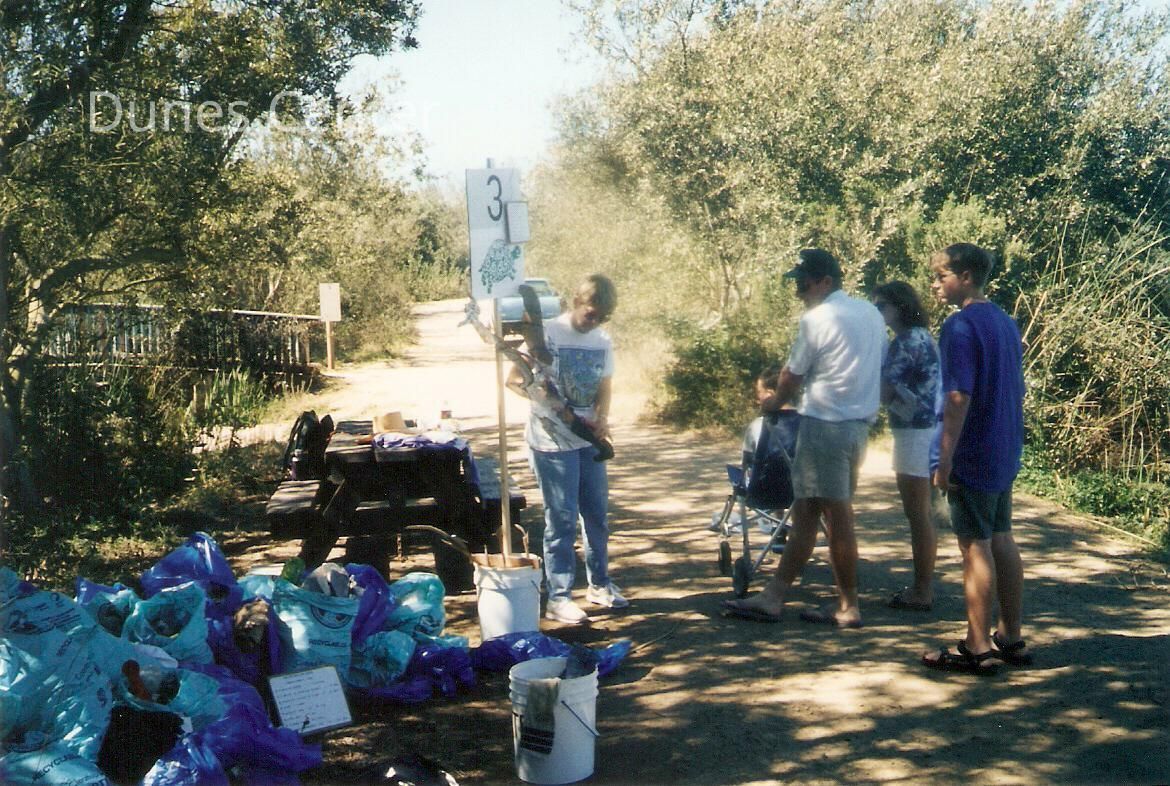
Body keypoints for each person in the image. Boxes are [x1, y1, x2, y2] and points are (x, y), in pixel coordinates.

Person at [722, 249, 886, 627]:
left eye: (804, 283)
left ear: (826, 281)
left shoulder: (818, 319)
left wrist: (773, 402)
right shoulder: (870, 313)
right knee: (807, 512)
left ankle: (849, 606)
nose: (799, 291)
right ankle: (773, 596)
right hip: (856, 427)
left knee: (837, 516)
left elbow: (792, 375)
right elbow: (878, 364)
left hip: (826, 425)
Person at [922, 243, 1031, 674]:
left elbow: (957, 396)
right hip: (1003, 446)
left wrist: (944, 458)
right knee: (1001, 537)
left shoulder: (960, 325)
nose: (935, 285)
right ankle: (1011, 636)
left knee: (974, 545)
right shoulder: (1005, 322)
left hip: (973, 450)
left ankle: (978, 645)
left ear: (966, 277)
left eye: (942, 276)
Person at [509, 273, 625, 625]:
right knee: (561, 518)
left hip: (587, 437)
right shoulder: (547, 333)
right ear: (577, 301)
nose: (595, 321)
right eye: (591, 313)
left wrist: (602, 418)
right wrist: (548, 403)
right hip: (551, 440)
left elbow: (605, 384)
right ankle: (558, 596)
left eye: (603, 317)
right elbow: (514, 381)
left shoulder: (602, 340)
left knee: (596, 515)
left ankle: (599, 584)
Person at [872, 281, 941, 611]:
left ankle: (922, 590)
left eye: (881, 306)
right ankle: (922, 586)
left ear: (900, 307)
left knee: (918, 514)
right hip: (924, 430)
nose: (877, 312)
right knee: (922, 512)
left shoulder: (905, 342)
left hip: (915, 433)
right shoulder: (922, 336)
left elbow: (884, 391)